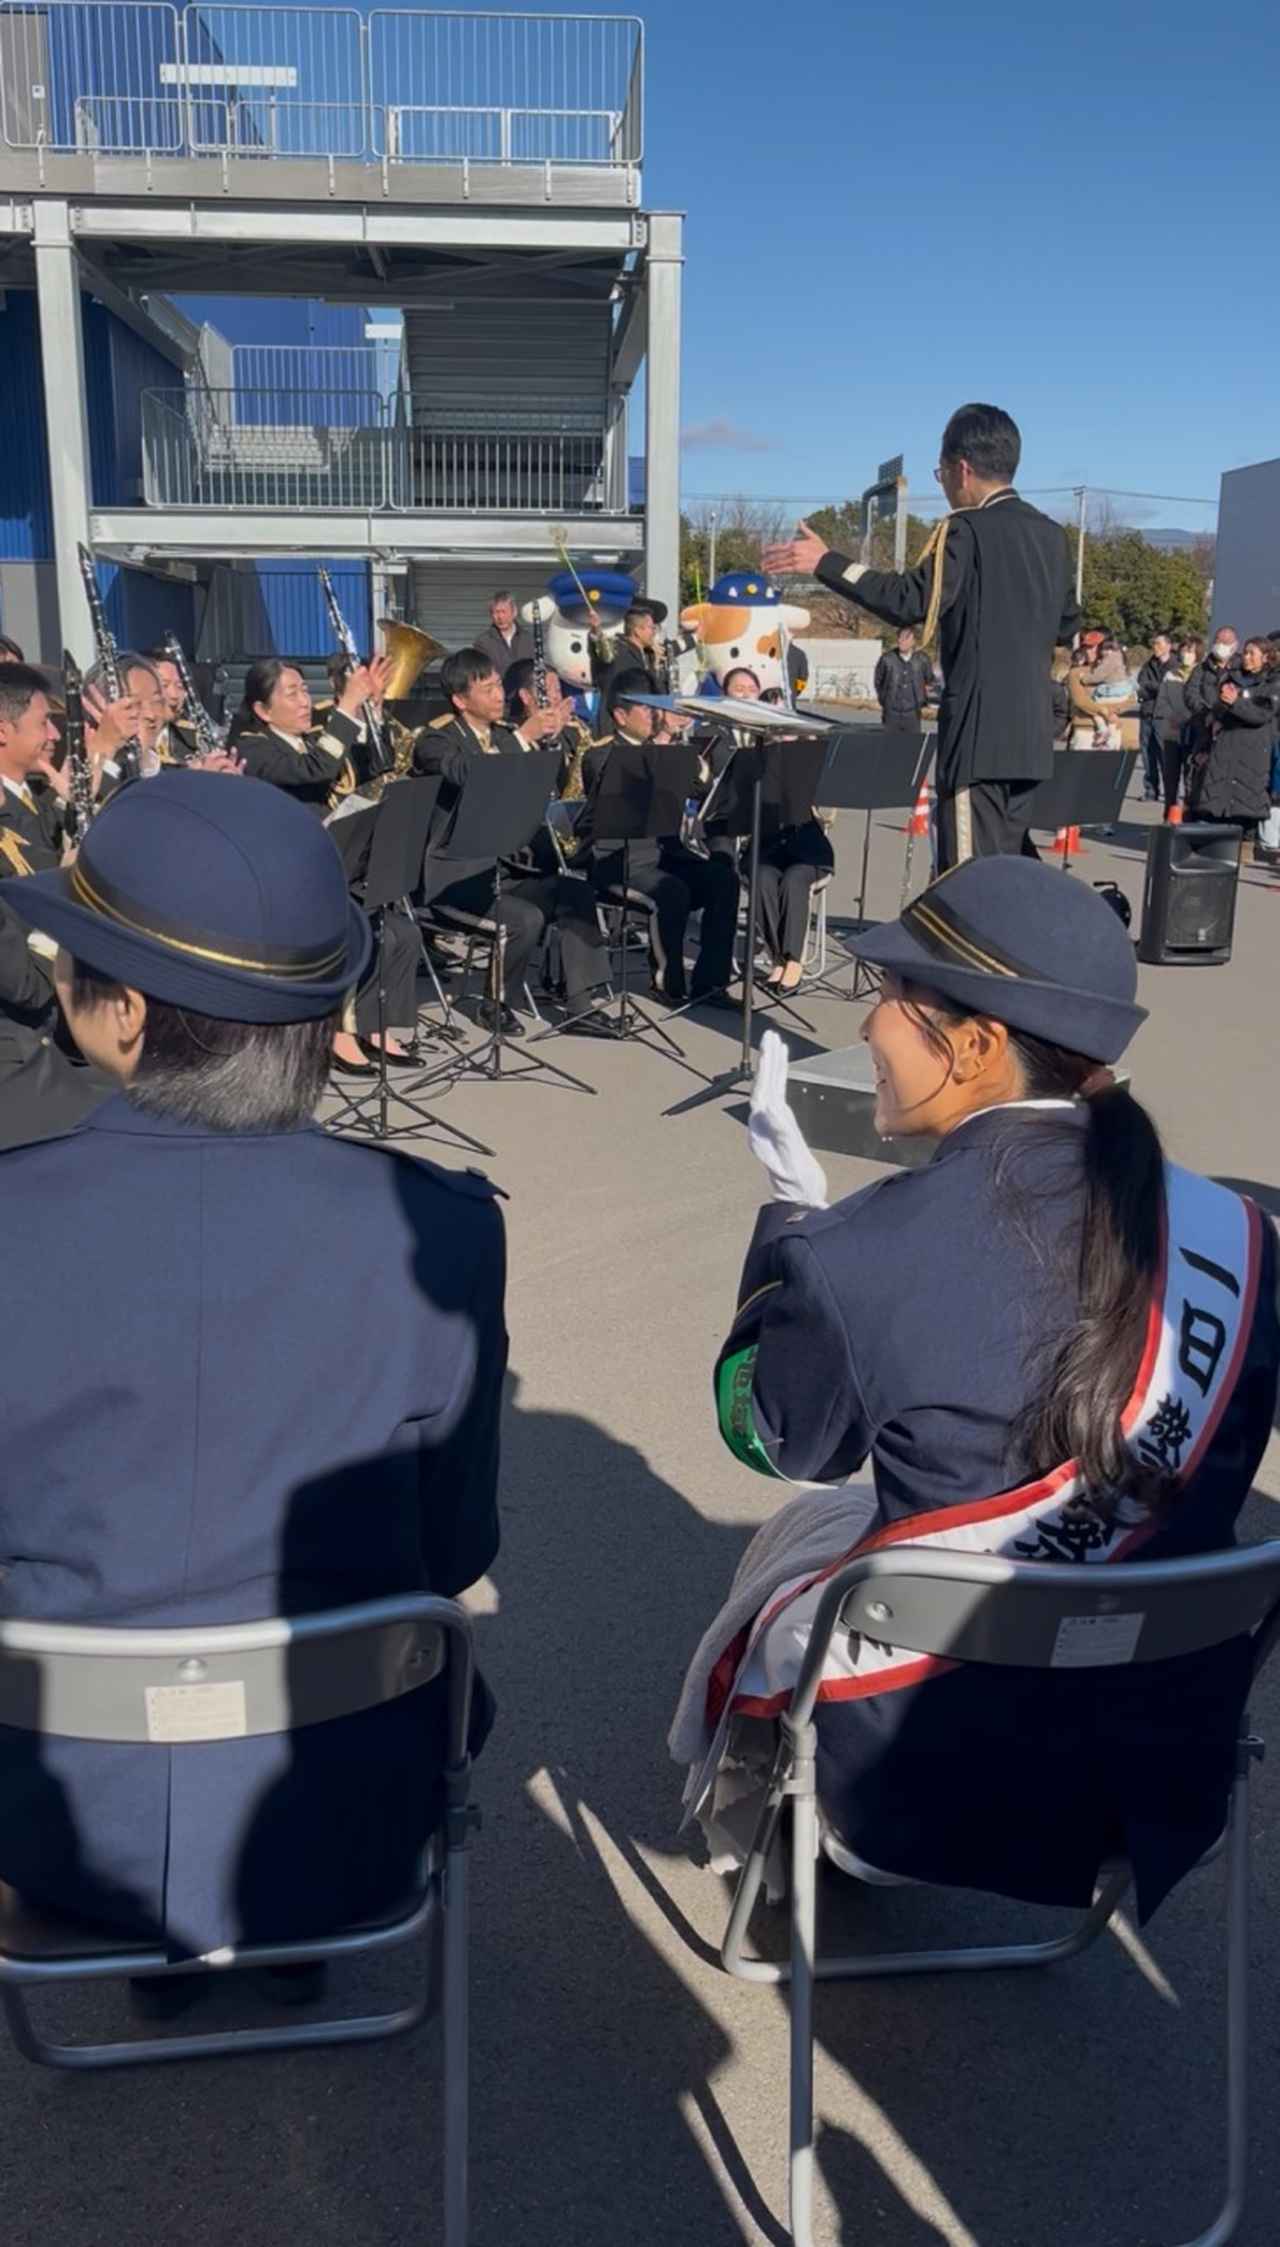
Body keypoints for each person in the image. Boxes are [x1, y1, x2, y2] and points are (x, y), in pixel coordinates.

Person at [677, 858, 1278, 1920]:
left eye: (887, 1002)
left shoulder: (863, 1252)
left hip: (914, 1781)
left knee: (814, 1526)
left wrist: (789, 1227)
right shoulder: (1240, 1238)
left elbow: (772, 1440)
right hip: (1149, 1770)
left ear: (974, 1045)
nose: (865, 1031)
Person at [0, 770, 506, 1968]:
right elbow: (458, 1546)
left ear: (124, 1015)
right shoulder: (443, 1226)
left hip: (52, 1822)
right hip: (346, 1802)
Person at [765, 404, 1077, 867]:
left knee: (970, 887)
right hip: (1031, 742)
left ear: (962, 469)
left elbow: (910, 600)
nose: (946, 486)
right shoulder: (1052, 536)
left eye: (942, 473)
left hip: (979, 739)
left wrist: (828, 562)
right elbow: (1066, 623)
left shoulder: (968, 528)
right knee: (1011, 881)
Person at [233, 655, 422, 1076]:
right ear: (263, 710)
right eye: (291, 693)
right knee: (351, 931)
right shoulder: (255, 748)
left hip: (334, 867)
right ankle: (338, 1031)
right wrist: (348, 704)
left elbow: (379, 766)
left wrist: (371, 709)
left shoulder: (311, 738)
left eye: (304, 689)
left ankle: (375, 1025)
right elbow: (314, 770)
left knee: (400, 932)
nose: (304, 701)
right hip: (285, 884)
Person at [413, 648, 614, 1038]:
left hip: (504, 869)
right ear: (459, 700)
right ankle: (495, 1003)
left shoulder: (505, 735)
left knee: (573, 892)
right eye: (486, 688)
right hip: (456, 878)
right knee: (525, 919)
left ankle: (580, 1006)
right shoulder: (436, 741)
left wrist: (551, 742)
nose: (498, 694)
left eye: (496, 685)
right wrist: (524, 737)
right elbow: (470, 773)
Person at [578, 670, 740, 1008]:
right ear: (621, 716)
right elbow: (620, 786)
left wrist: (689, 758)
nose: (655, 715)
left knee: (724, 879)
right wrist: (663, 747)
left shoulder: (669, 749)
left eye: (657, 708)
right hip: (621, 859)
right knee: (671, 891)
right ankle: (668, 981)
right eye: (646, 709)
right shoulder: (601, 753)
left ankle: (711, 983)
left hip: (665, 853)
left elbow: (701, 789)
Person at [1187, 636, 1277, 858]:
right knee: (1215, 795)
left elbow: (1260, 714)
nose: (1246, 658)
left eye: (1252, 654)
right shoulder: (1231, 678)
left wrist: (1235, 703)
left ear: (1265, 658)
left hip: (1253, 751)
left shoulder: (1272, 683)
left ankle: (1245, 844)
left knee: (1247, 798)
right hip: (1224, 747)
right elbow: (1218, 706)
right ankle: (1211, 844)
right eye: (1245, 653)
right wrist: (1217, 714)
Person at [1153, 635, 1202, 817]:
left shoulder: (1201, 675)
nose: (1185, 654)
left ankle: (1189, 814)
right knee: (1170, 775)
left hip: (1195, 733)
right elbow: (1162, 703)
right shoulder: (1171, 674)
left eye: (1189, 651)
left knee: (1191, 777)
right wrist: (1170, 721)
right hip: (1172, 733)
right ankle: (1169, 813)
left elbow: (1201, 703)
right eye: (1183, 650)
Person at [873, 625, 936, 732]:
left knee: (912, 745)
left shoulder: (922, 660)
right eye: (900, 637)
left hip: (913, 713)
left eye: (906, 638)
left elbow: (930, 680)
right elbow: (878, 681)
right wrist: (885, 700)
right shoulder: (887, 659)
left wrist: (924, 700)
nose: (902, 641)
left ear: (913, 641)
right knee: (888, 745)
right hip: (891, 712)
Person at [1137, 632, 1174, 801]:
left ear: (1168, 646)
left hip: (1164, 716)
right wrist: (1156, 688)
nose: (1155, 647)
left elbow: (1169, 689)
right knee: (1147, 754)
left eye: (1159, 644)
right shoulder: (1149, 664)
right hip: (1147, 713)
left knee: (1165, 755)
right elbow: (1141, 684)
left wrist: (1153, 688)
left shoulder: (1175, 665)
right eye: (1154, 644)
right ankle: (1151, 790)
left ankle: (1170, 792)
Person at [473, 589, 534, 681]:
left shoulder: (529, 639)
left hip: (526, 692)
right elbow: (482, 675)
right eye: (496, 612)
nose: (500, 617)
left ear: (514, 612)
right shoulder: (483, 642)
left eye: (503, 611)